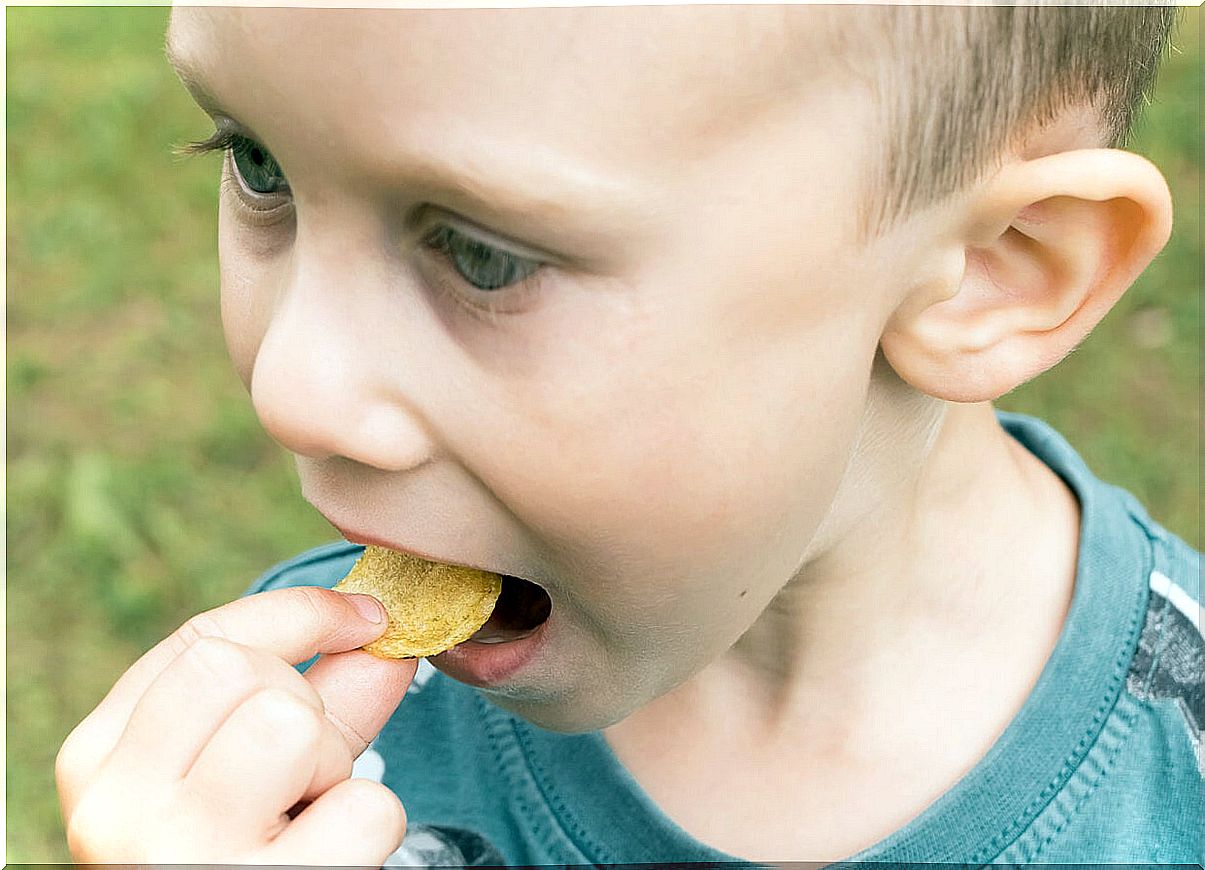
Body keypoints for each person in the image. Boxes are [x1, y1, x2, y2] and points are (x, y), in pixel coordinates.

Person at [55, 5, 1200, 865]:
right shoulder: (306, 754)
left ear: (992, 274)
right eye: (258, 163)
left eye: (483, 253)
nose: (291, 388)